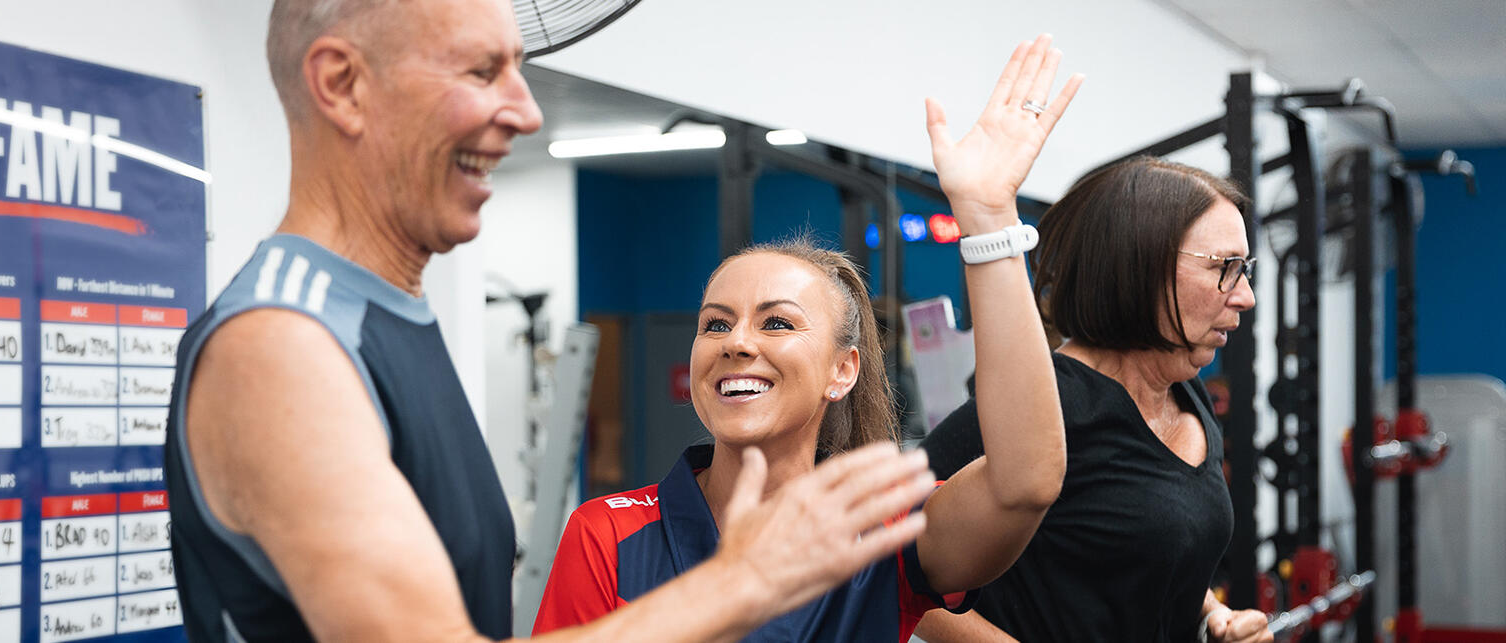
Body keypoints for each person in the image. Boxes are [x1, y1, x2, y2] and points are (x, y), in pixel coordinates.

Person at [164, 0, 945, 641]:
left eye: (518, 68)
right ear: (343, 84)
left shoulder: (379, 313)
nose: (527, 111)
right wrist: (742, 581)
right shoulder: (282, 343)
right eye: (481, 71)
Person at [531, 36, 1082, 641]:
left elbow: (1024, 483)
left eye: (777, 323)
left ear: (842, 371)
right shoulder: (607, 533)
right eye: (716, 323)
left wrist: (988, 221)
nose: (736, 342)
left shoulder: (879, 528)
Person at [914, 156, 1274, 643]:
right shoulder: (1052, 403)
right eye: (1225, 268)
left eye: (1244, 269)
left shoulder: (1187, 392)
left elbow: (1153, 557)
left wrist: (1213, 617)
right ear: (1142, 266)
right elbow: (887, 558)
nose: (1246, 295)